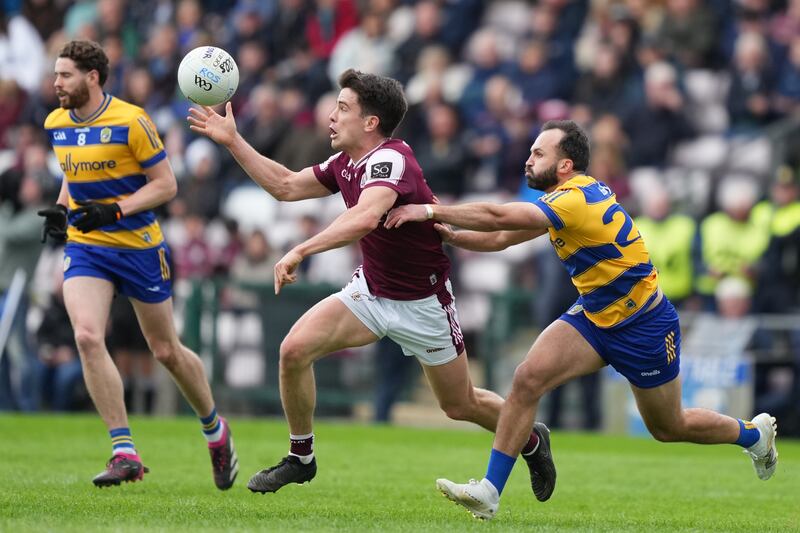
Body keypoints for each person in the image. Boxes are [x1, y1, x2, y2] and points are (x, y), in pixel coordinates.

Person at [384, 120, 778, 520]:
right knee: (527, 379)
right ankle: (489, 492)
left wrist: (430, 208)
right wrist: (448, 235)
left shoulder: (572, 199)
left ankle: (754, 434)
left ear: (565, 165)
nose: (528, 160)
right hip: (593, 316)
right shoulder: (564, 198)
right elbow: (503, 238)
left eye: (539, 153)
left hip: (643, 324)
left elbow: (497, 217)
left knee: (668, 427)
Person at [187, 69, 554, 497]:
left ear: (370, 123)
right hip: (371, 292)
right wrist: (233, 140)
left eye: (343, 108)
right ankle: (300, 459)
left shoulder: (391, 159)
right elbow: (285, 186)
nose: (332, 115)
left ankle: (531, 439)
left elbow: (364, 217)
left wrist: (301, 250)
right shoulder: (345, 163)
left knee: (460, 404)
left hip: (424, 302)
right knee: (293, 351)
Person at [38, 40, 238, 489]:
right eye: (55, 75)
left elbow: (165, 186)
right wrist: (60, 207)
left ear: (92, 77)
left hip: (139, 247)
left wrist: (116, 210)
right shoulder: (56, 123)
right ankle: (123, 450)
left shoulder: (131, 121)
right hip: (86, 246)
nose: (56, 83)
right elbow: (75, 174)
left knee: (165, 350)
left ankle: (214, 429)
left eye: (65, 75)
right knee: (88, 336)